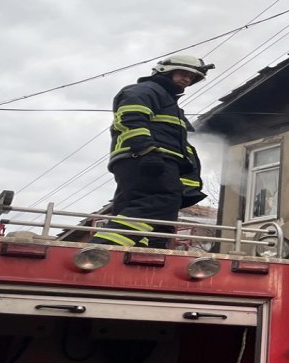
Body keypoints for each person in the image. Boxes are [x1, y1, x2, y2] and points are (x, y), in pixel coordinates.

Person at [91, 54, 214, 248]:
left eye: (191, 78)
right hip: (146, 159)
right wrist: (147, 150)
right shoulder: (145, 91)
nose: (186, 80)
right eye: (183, 74)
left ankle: (147, 252)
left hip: (147, 159)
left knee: (151, 211)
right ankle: (103, 247)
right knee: (160, 201)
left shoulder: (169, 103)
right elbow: (131, 118)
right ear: (166, 71)